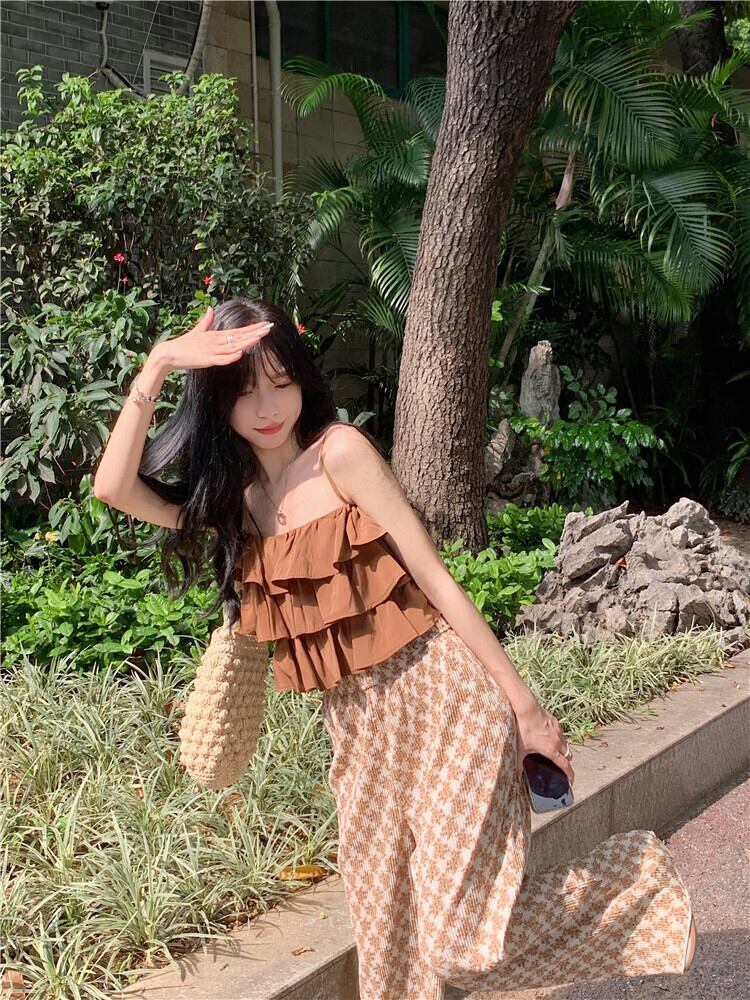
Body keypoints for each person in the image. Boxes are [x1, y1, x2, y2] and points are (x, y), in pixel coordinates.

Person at [94, 297, 697, 1000]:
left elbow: (434, 578)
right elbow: (113, 486)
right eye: (244, 390)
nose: (267, 407)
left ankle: (637, 884)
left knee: (457, 942)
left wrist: (525, 708)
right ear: (218, 400)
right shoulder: (239, 502)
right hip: (359, 734)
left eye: (280, 382)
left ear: (303, 379)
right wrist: (160, 362)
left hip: (445, 702)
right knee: (386, 940)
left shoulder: (341, 453)